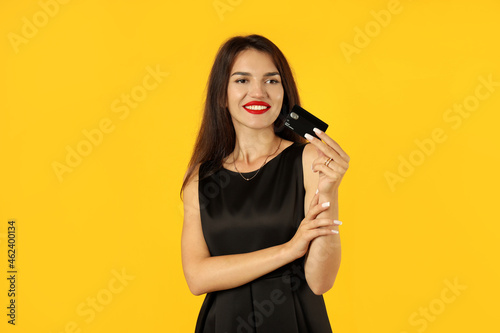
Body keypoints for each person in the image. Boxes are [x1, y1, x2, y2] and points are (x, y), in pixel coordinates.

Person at [180, 34, 350, 333]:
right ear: (222, 94)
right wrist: (289, 250)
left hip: (295, 321)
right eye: (242, 81)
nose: (257, 92)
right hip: (224, 323)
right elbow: (197, 278)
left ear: (284, 92)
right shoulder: (201, 178)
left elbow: (320, 281)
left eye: (271, 81)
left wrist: (328, 191)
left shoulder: (309, 159)